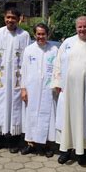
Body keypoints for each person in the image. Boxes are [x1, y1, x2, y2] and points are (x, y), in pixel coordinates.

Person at [53, 16, 86, 166]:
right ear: (76, 28)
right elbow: (58, 63)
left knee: (85, 119)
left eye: (85, 27)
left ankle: (84, 152)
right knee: (66, 119)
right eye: (80, 27)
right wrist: (57, 81)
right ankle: (66, 151)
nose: (82, 29)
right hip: (68, 90)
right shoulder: (67, 43)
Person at [0, 8, 30, 153]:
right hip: (0, 80)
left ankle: (15, 141)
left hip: (17, 80)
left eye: (13, 18)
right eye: (8, 17)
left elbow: (27, 59)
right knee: (0, 108)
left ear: (19, 18)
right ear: (4, 18)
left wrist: (25, 82)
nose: (10, 20)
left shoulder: (24, 35)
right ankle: (0, 140)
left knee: (16, 109)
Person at [20, 23, 58, 157]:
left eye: (43, 34)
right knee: (31, 115)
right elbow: (23, 70)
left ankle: (47, 145)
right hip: (32, 88)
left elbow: (58, 70)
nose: (41, 36)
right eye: (38, 34)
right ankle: (30, 144)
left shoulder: (54, 50)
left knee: (48, 115)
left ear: (48, 35)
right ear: (34, 35)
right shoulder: (29, 50)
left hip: (48, 89)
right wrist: (23, 88)